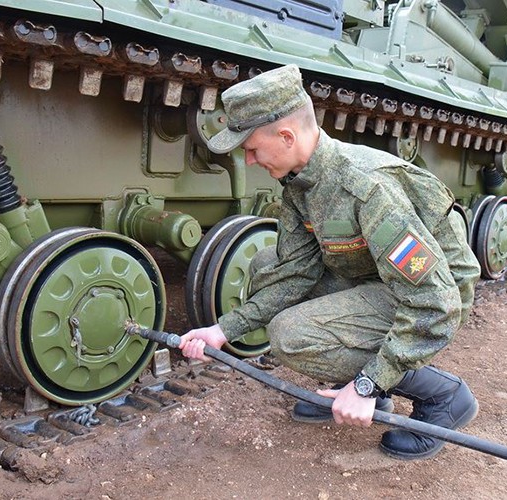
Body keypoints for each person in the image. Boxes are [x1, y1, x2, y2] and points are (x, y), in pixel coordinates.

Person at [179, 64, 482, 460]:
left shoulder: (363, 188)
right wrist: (223, 330)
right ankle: (371, 387)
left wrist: (368, 385)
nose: (249, 160)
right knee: (265, 267)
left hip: (434, 293)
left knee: (292, 334)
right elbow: (294, 273)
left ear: (286, 136)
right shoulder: (300, 184)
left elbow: (435, 301)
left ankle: (444, 398)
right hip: (377, 277)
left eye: (251, 148)